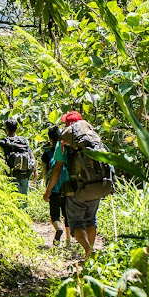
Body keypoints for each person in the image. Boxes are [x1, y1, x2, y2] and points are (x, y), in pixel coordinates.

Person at [43, 111, 113, 260]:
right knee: (91, 219)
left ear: (68, 125)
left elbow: (56, 169)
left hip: (75, 190)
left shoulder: (64, 143)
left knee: (76, 224)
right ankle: (90, 252)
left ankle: (88, 249)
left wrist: (48, 190)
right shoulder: (93, 138)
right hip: (96, 186)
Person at [41, 126, 71, 246]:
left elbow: (45, 172)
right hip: (66, 186)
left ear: (50, 139)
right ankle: (68, 240)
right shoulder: (66, 150)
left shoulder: (46, 154)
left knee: (54, 214)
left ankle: (58, 228)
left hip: (54, 187)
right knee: (66, 213)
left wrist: (46, 187)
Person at [0, 118, 37, 195]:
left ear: (6, 129)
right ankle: (25, 207)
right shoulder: (23, 140)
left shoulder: (4, 142)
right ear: (17, 128)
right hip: (25, 172)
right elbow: (31, 155)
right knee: (24, 195)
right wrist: (35, 170)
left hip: (12, 173)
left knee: (14, 196)